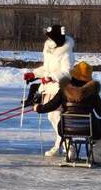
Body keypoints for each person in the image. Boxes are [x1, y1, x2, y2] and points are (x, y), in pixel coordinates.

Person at [35, 61, 101, 164]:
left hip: (66, 128)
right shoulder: (92, 92)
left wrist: (38, 108)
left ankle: (70, 151)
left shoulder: (64, 90)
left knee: (62, 123)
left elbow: (51, 105)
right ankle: (97, 153)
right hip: (90, 129)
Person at [23, 24, 75, 157]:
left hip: (60, 88)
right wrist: (34, 74)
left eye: (51, 36)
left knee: (57, 116)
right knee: (52, 116)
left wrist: (51, 77)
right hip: (48, 88)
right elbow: (47, 68)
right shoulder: (49, 48)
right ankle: (59, 145)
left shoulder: (66, 52)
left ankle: (69, 146)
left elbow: (67, 72)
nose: (48, 39)